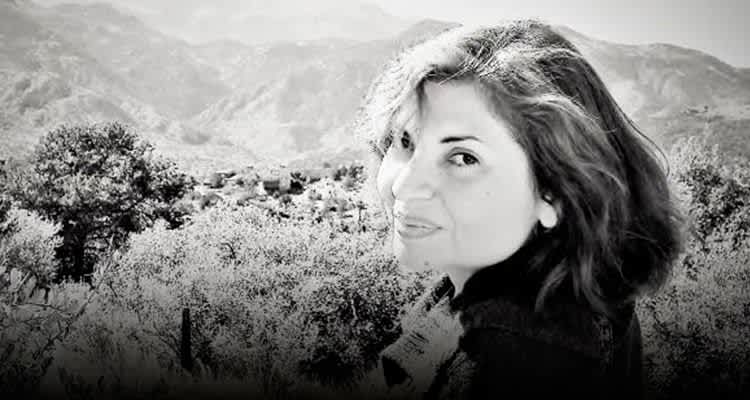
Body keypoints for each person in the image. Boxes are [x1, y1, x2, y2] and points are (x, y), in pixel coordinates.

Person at [353, 19, 685, 399]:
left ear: (553, 194)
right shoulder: (542, 291)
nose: (404, 185)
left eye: (463, 158)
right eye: (405, 140)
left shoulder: (515, 362)